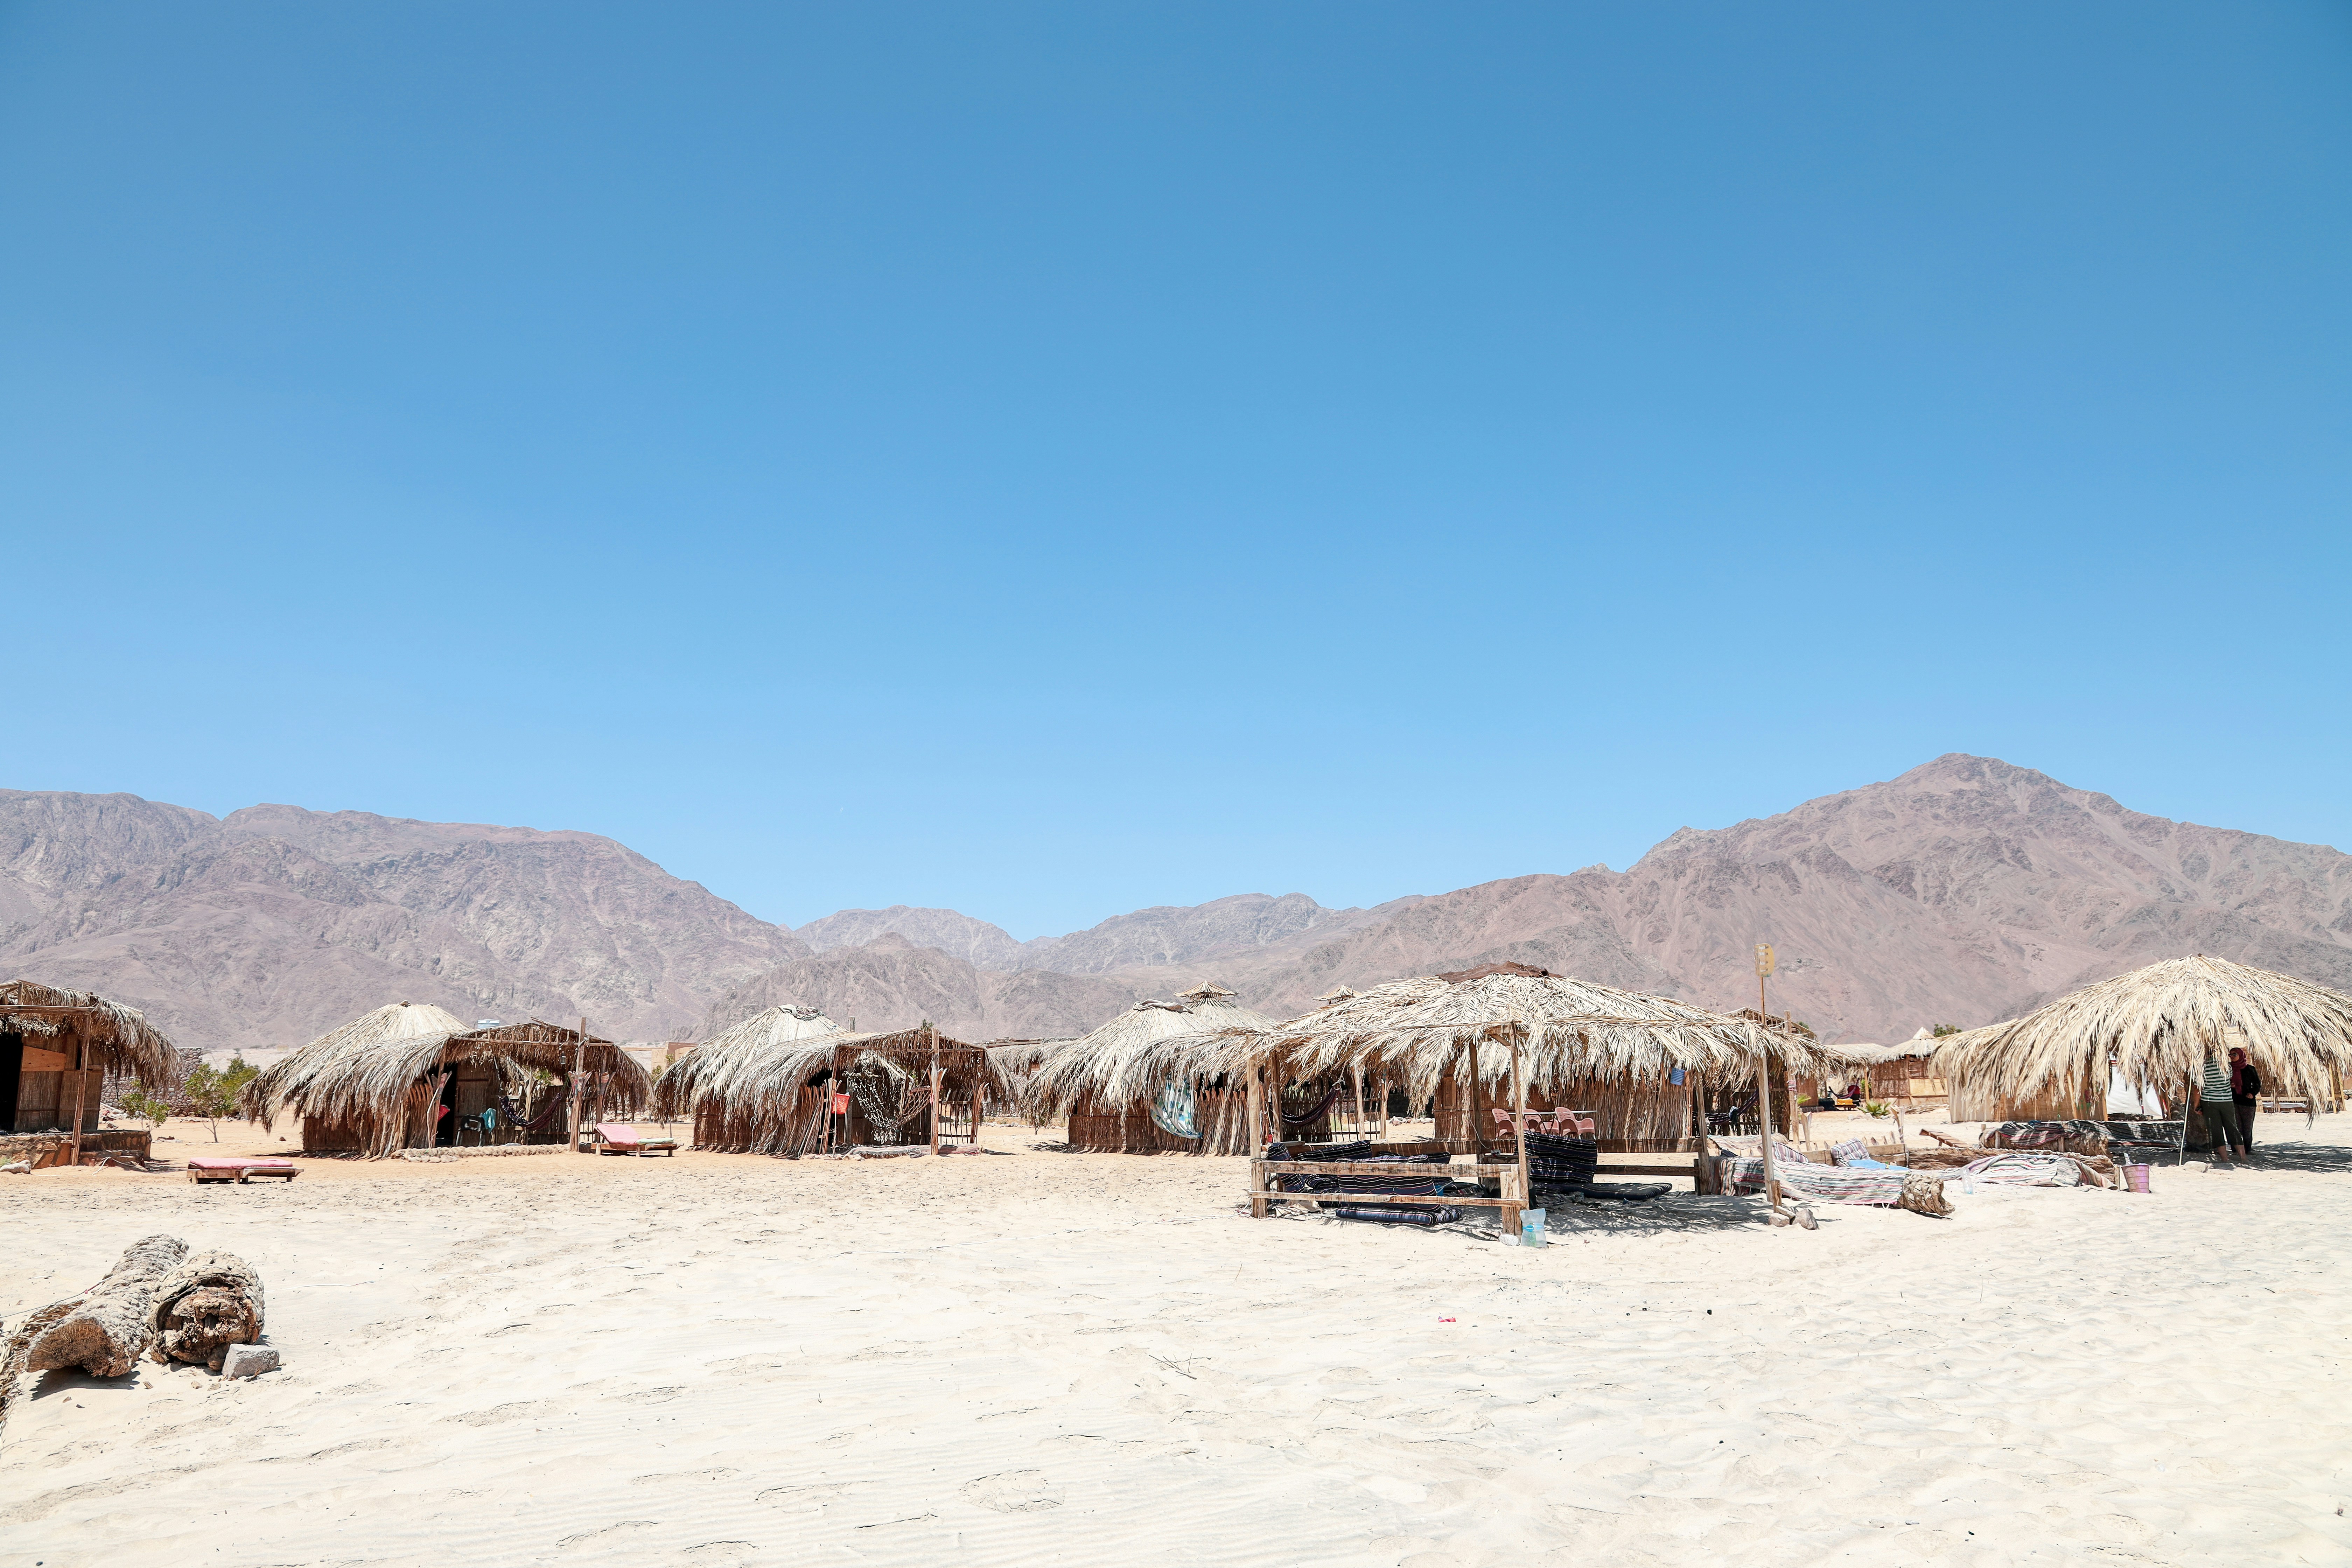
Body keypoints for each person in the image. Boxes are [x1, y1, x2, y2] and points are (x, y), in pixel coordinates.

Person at [2198, 1049, 2242, 1162]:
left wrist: (2196, 1105)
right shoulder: (2227, 1066)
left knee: (2216, 1130)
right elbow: (2229, 1080)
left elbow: (2198, 1088)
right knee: (2233, 1128)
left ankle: (2225, 1159)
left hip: (2209, 1101)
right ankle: (2244, 1158)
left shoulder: (2202, 1067)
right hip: (2227, 1101)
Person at [2229, 1046, 2262, 1161]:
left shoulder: (2250, 1069)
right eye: (2231, 1055)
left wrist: (2252, 1093)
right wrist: (2230, 1085)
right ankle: (2235, 1149)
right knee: (2236, 1126)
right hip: (2233, 1101)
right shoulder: (2228, 1069)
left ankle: (2247, 1149)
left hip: (2248, 1102)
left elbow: (2257, 1084)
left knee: (2247, 1127)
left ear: (2241, 1056)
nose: (2232, 1057)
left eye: (2235, 1055)